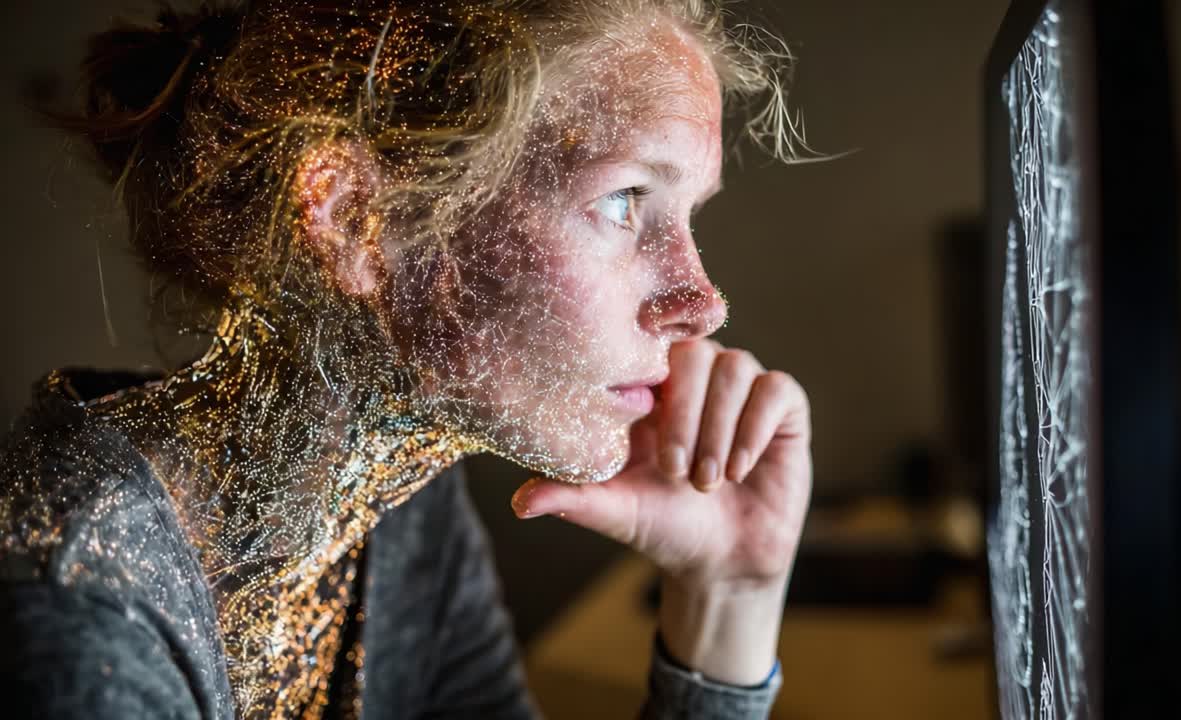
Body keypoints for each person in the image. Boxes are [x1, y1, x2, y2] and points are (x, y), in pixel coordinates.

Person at [0, 0, 815, 717]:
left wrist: (727, 600)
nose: (704, 303)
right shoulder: (72, 612)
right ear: (358, 220)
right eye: (624, 200)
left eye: (689, 215)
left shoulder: (400, 510)